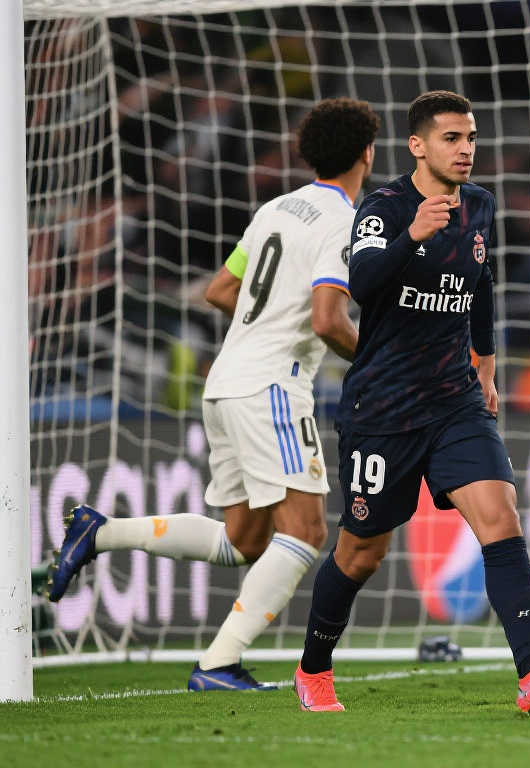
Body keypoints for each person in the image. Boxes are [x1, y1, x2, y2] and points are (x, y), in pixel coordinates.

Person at [47, 97, 377, 690]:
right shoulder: (344, 221)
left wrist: (268, 321)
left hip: (226, 380)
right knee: (305, 532)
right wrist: (377, 358)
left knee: (242, 541)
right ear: (367, 155)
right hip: (271, 385)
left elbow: (221, 289)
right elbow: (329, 320)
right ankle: (218, 663)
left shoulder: (278, 207)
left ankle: (100, 532)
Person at [292, 90, 530, 714]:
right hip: (383, 407)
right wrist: (412, 235)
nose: (465, 150)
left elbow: (481, 287)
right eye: (452, 138)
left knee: (500, 517)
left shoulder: (480, 204)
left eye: (471, 138)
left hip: (455, 399)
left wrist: (485, 368)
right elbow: (363, 286)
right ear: (418, 145)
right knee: (361, 553)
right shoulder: (383, 208)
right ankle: (313, 669)